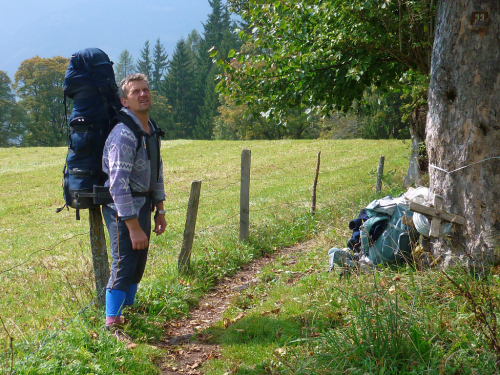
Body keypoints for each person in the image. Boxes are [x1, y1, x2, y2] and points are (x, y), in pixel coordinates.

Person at [102, 73, 166, 331]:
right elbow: (117, 185)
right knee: (124, 263)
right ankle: (112, 324)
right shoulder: (123, 134)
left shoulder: (150, 130)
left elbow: (157, 172)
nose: (143, 94)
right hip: (122, 209)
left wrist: (160, 209)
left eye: (146, 89)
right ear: (124, 101)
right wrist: (133, 226)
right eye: (136, 91)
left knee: (137, 264)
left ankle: (127, 315)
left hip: (144, 205)